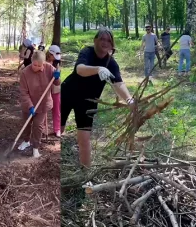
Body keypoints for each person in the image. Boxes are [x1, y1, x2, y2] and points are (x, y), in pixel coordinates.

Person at [60, 27, 135, 168]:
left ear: (112, 45)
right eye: (102, 39)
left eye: (108, 40)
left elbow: (118, 84)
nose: (105, 42)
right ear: (95, 40)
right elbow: (80, 69)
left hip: (88, 102)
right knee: (60, 128)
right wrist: (98, 69)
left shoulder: (111, 63)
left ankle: (85, 173)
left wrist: (129, 99)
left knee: (84, 139)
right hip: (68, 94)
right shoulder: (87, 52)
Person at [18, 51, 61, 158]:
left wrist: (57, 77)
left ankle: (35, 147)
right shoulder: (25, 73)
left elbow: (57, 83)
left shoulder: (49, 68)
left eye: (39, 65)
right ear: (31, 62)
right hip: (29, 104)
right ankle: (26, 141)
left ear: (43, 63)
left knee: (38, 126)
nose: (36, 67)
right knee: (27, 124)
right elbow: (24, 92)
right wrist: (30, 105)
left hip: (43, 104)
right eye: (34, 65)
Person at [46, 45, 62, 137]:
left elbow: (58, 81)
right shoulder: (43, 62)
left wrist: (57, 77)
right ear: (50, 54)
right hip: (45, 89)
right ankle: (42, 128)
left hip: (55, 89)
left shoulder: (58, 63)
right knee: (43, 109)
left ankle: (57, 129)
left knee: (56, 109)